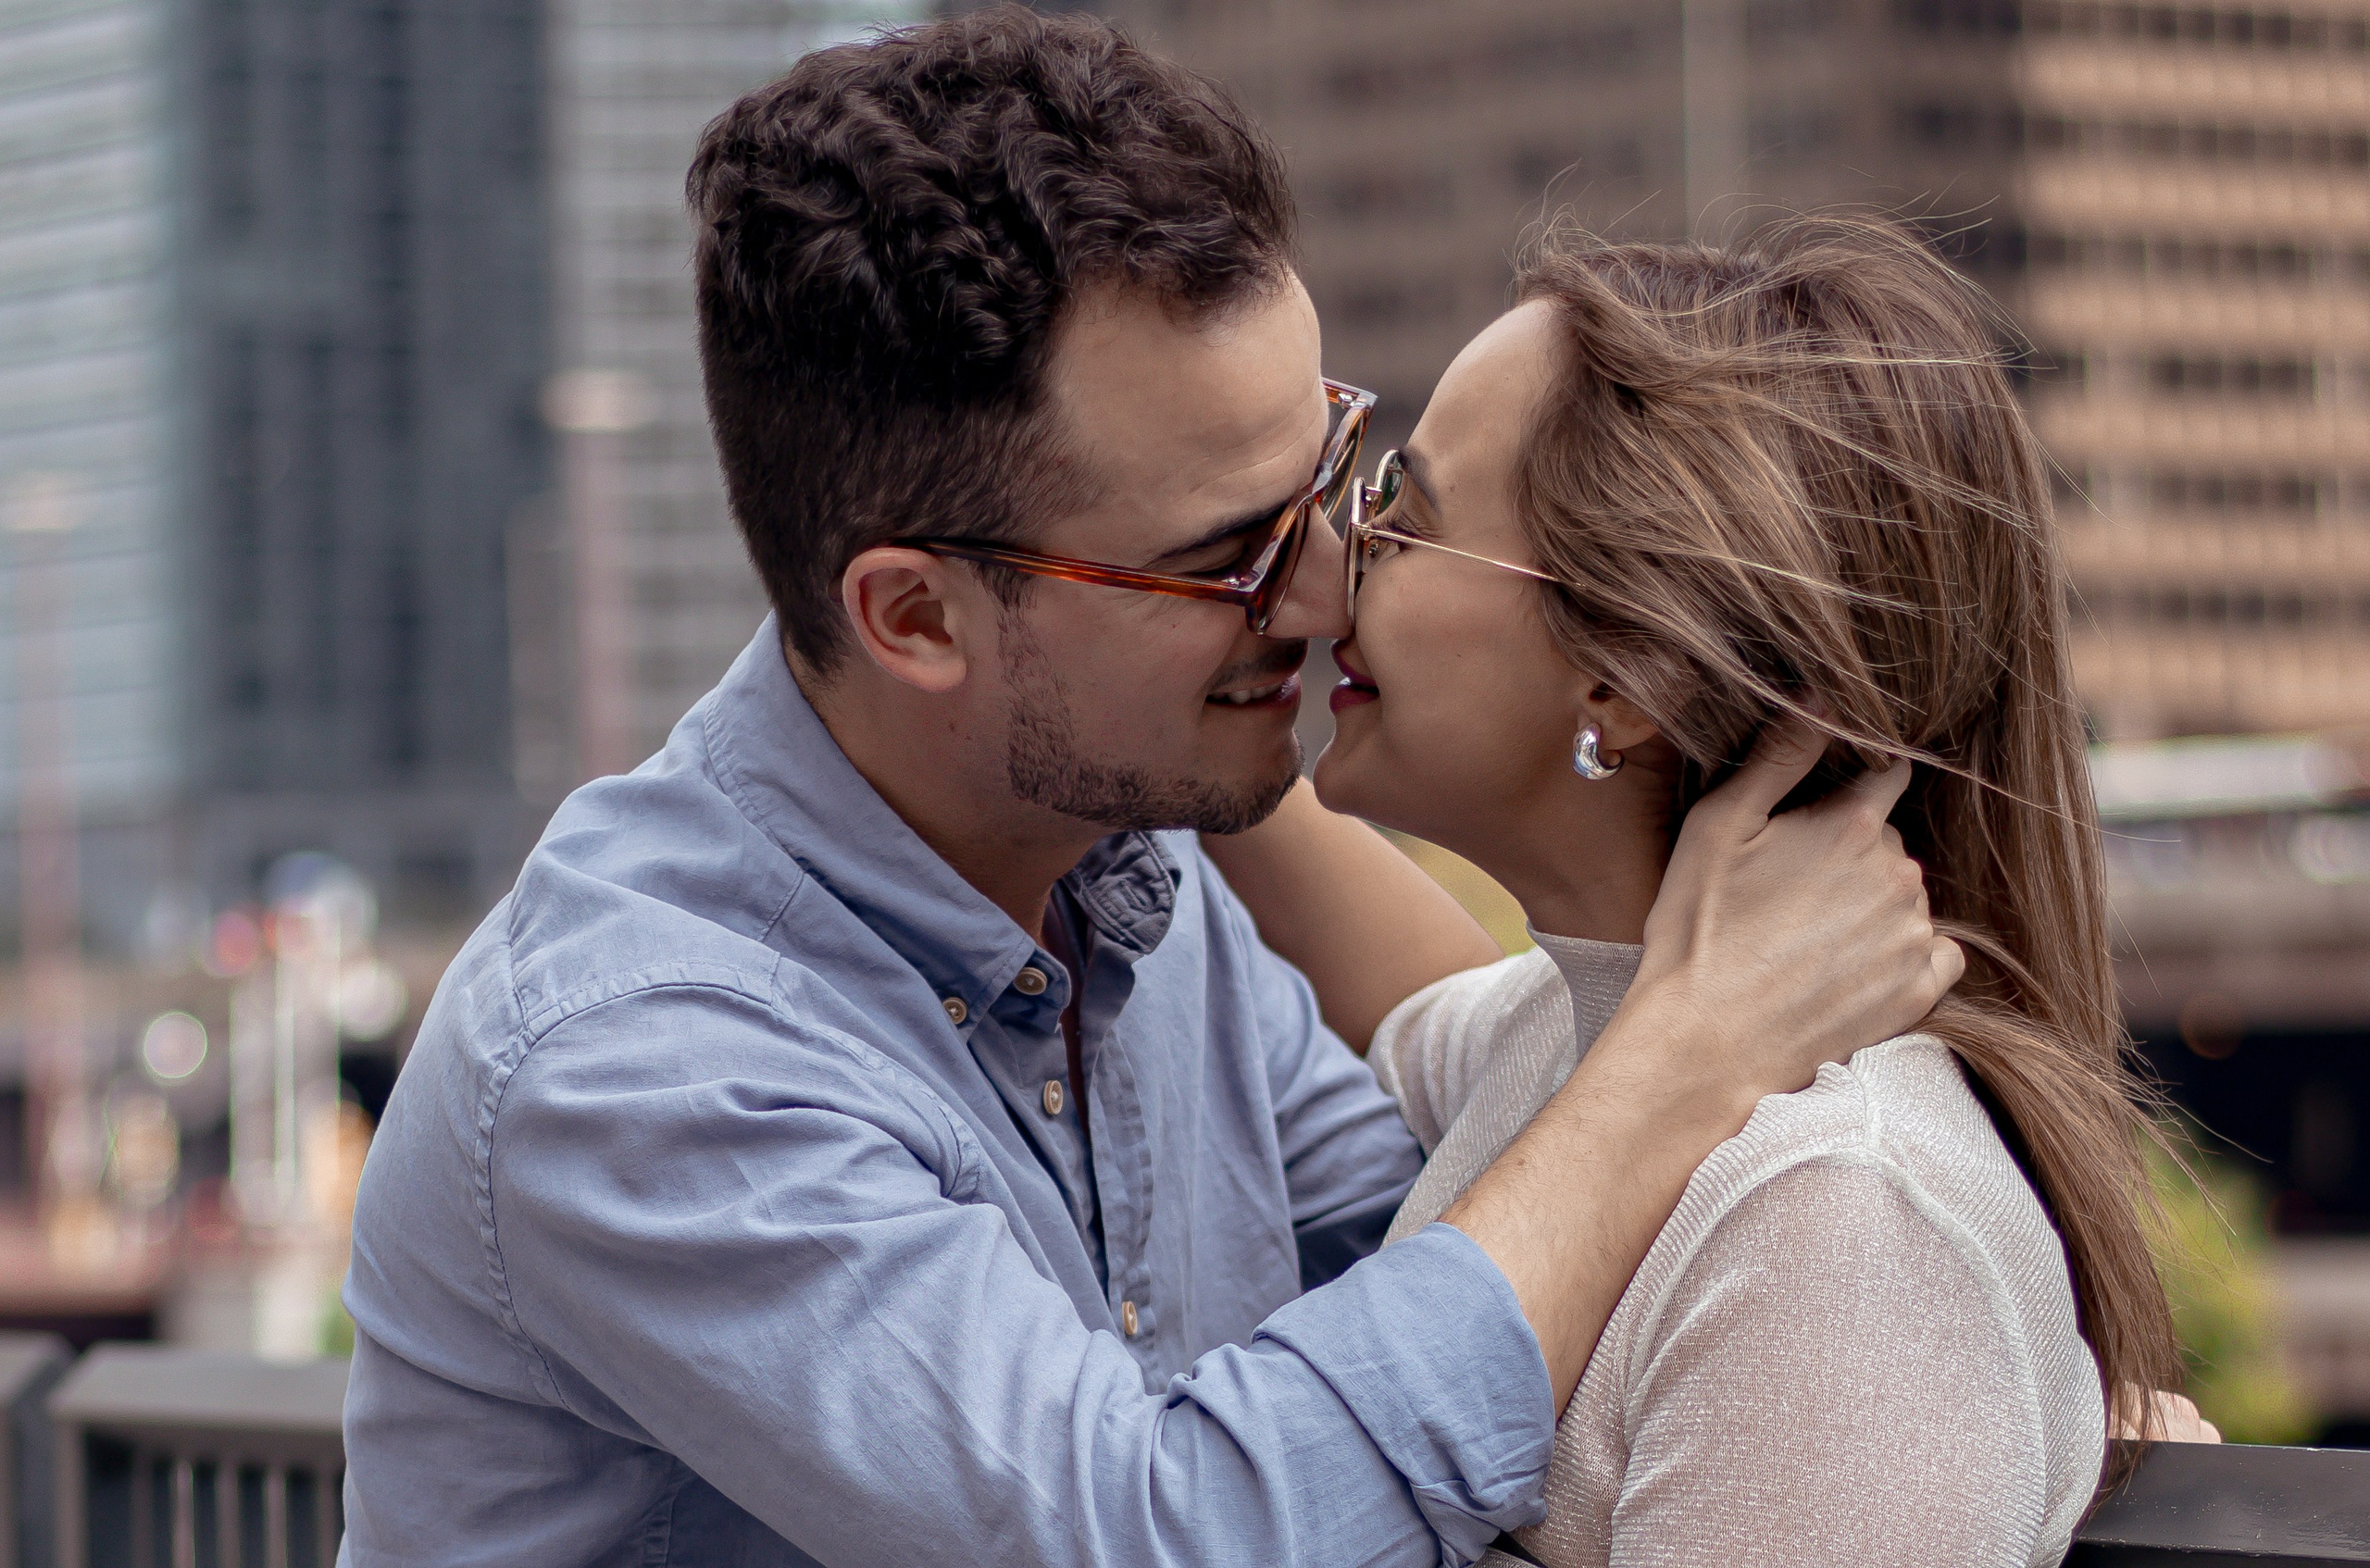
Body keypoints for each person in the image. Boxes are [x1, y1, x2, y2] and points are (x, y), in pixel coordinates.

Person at [335, 14, 1960, 1566]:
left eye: (1328, 475)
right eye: (1226, 554)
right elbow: (1165, 1534)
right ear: (917, 619)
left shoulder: (1129, 883)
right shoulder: (644, 1064)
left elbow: (1468, 1203)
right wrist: (1692, 1052)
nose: (1322, 590)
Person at [1266, 213, 2180, 1568]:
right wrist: (1175, 717)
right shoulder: (1594, 1033)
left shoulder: (1838, 1221)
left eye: (1409, 514)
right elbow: (1414, 1000)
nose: (1333, 566)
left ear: (1623, 674)